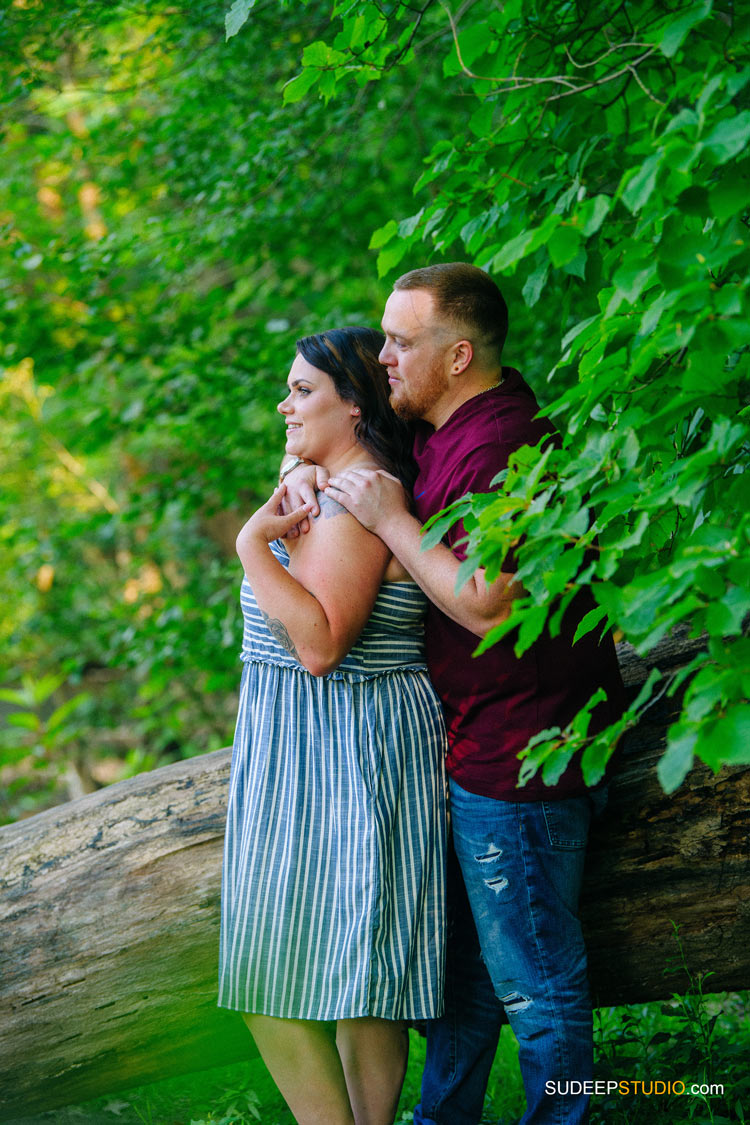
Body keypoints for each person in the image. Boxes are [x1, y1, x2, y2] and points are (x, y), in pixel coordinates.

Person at [288, 264, 625, 1125]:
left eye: (402, 342)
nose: (385, 356)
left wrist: (393, 519)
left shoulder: (502, 444)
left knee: (538, 991)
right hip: (480, 751)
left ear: (459, 353)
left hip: (524, 759)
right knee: (467, 986)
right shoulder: (447, 429)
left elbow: (487, 601)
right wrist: (316, 492)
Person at [218, 326, 448, 1125]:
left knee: (354, 974)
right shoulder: (326, 480)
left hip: (350, 744)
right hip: (300, 746)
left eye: (302, 390)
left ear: (355, 405)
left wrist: (251, 544)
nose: (284, 404)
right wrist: (297, 466)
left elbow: (317, 645)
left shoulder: (354, 503)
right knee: (287, 971)